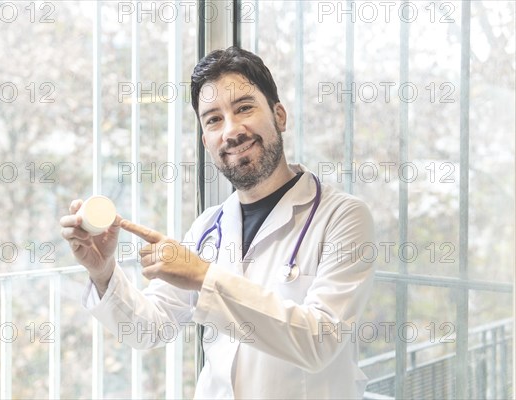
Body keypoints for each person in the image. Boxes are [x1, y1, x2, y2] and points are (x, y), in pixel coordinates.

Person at [60, 46, 375, 399]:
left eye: (244, 108)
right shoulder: (209, 227)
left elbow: (320, 342)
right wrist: (103, 272)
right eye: (213, 119)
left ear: (280, 116)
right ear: (206, 140)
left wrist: (203, 277)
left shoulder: (343, 217)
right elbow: (146, 329)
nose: (231, 130)